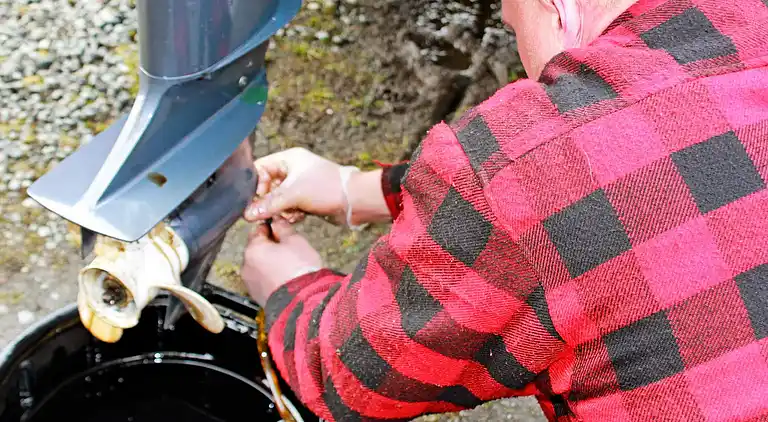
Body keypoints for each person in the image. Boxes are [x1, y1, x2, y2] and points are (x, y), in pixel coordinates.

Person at [240, 0, 768, 420]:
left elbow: (351, 378)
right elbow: (622, 154)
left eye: (514, 27)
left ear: (560, 11)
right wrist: (354, 190)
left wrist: (292, 284)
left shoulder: (520, 175)